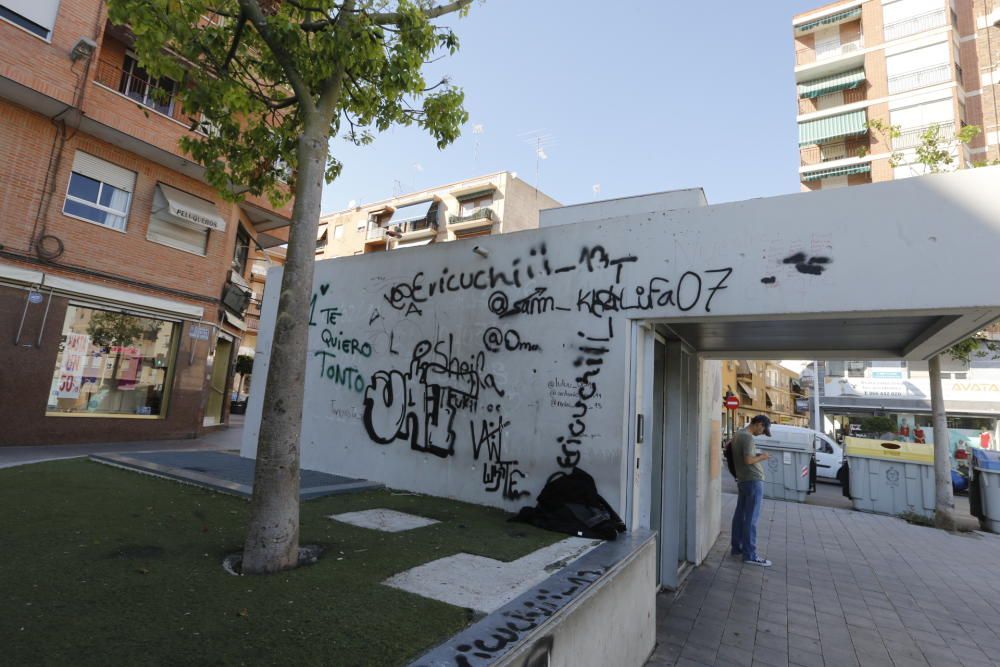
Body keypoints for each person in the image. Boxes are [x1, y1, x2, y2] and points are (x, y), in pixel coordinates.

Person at [730, 415, 773, 567]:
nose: (762, 433)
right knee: (751, 519)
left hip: (743, 479)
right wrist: (763, 456)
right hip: (753, 480)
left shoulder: (738, 435)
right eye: (763, 429)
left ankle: (737, 548)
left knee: (740, 515)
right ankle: (750, 554)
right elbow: (748, 460)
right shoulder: (748, 438)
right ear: (759, 424)